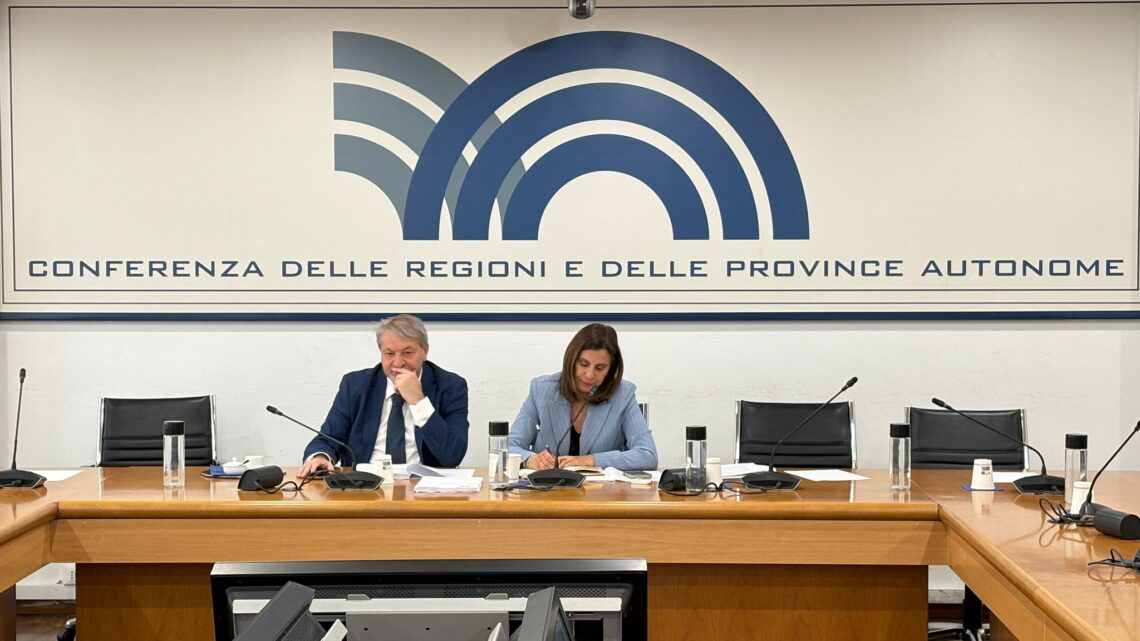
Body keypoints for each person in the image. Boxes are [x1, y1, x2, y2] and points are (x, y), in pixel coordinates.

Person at [297, 314, 469, 478]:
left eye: (407, 353)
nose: (398, 362)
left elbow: (452, 456)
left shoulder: (451, 387)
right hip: (365, 486)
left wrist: (418, 401)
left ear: (424, 350)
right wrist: (320, 456)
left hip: (423, 487)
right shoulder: (355, 385)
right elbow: (328, 438)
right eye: (389, 353)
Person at [509, 323, 657, 471]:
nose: (590, 375)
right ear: (571, 360)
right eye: (583, 364)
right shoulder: (541, 390)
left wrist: (590, 460)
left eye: (600, 368)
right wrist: (529, 460)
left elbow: (647, 455)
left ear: (610, 370)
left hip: (600, 486)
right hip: (547, 484)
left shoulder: (623, 395)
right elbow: (509, 445)